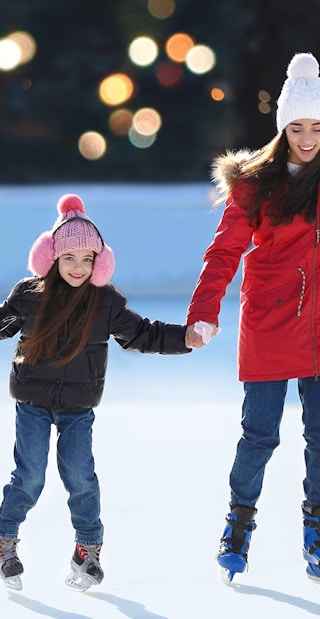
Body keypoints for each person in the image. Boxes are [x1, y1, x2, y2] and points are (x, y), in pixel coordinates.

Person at [0, 193, 192, 592]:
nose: (78, 267)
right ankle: (4, 539)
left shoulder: (106, 302)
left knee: (80, 476)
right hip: (32, 404)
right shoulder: (31, 294)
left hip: (78, 409)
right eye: (69, 258)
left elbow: (143, 333)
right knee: (30, 476)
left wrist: (186, 338)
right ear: (51, 258)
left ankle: (87, 549)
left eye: (87, 259)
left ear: (99, 263)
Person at [185, 51, 320, 585]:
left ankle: (315, 527)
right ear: (283, 127)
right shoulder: (255, 183)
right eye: (298, 127)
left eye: (317, 127)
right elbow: (223, 252)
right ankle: (238, 524)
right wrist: (203, 311)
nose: (307, 139)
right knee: (259, 434)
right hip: (268, 319)